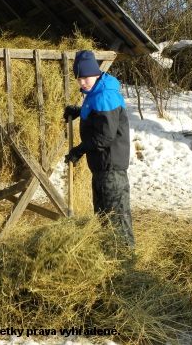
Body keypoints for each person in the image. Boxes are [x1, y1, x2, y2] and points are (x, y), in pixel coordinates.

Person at [64, 50, 135, 247]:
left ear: (96, 73)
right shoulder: (95, 93)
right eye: (79, 78)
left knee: (117, 221)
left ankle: (126, 263)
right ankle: (110, 259)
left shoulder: (105, 95)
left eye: (85, 77)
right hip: (102, 168)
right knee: (104, 220)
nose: (82, 83)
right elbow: (99, 118)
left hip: (111, 170)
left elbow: (104, 136)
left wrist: (79, 150)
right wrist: (79, 112)